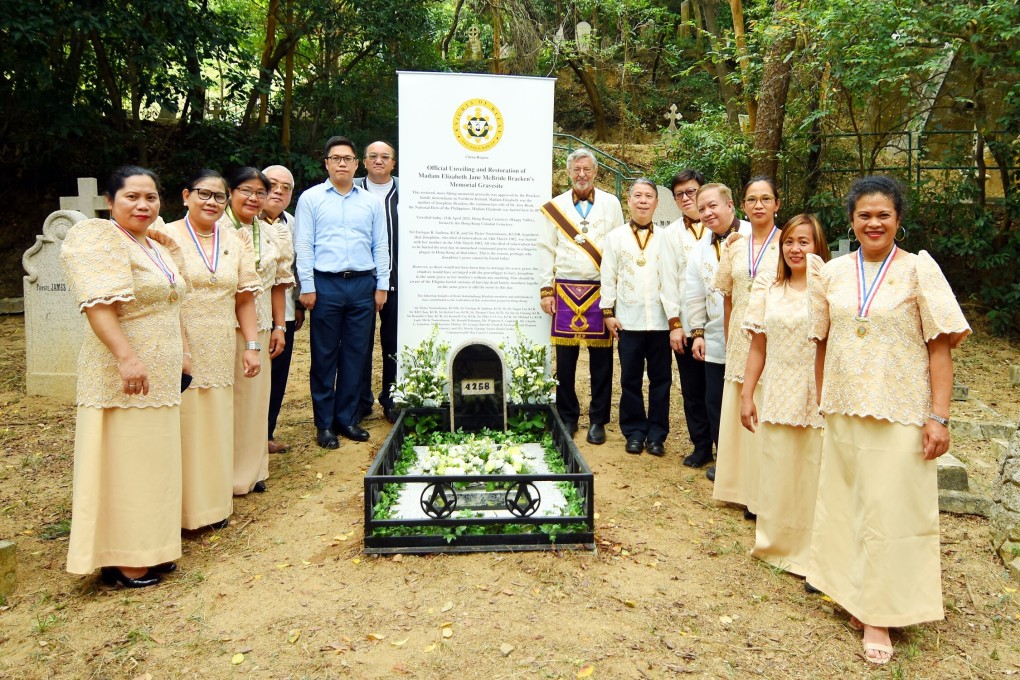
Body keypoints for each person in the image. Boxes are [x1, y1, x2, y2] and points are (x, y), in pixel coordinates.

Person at [806, 176, 970, 664]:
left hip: (900, 410)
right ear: (851, 221)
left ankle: (880, 613)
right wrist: (823, 399)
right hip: (844, 408)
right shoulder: (833, 273)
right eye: (864, 215)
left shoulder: (919, 270)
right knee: (847, 505)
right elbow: (822, 342)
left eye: (883, 215)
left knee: (890, 511)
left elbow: (939, 348)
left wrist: (939, 417)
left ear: (898, 219)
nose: (873, 223)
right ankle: (853, 593)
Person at [61, 166, 188, 588]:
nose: (143, 205)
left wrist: (183, 356)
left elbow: (170, 303)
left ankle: (152, 547)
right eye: (132, 196)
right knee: (128, 462)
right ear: (110, 201)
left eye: (150, 197)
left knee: (154, 462)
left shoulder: (154, 243)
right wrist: (126, 357)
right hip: (123, 372)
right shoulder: (101, 238)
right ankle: (123, 558)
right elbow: (98, 306)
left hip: (160, 374)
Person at [155, 169, 262, 530]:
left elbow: (245, 299)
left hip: (220, 344)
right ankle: (182, 510)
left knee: (215, 423)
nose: (211, 202)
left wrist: (251, 346)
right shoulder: (164, 236)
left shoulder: (236, 240)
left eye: (219, 196)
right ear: (186, 195)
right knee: (184, 424)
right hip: (178, 342)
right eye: (204, 194)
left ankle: (213, 507)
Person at [739, 214, 830, 578]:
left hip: (816, 392)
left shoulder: (829, 289)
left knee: (812, 470)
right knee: (778, 468)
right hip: (778, 389)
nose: (795, 249)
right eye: (789, 242)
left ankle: (814, 552)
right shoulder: (769, 287)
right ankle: (776, 545)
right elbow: (758, 347)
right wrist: (747, 395)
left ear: (818, 246)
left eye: (804, 242)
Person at [294, 136, 389, 448]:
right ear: (327, 163)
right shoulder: (311, 199)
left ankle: (347, 418)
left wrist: (382, 285)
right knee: (324, 355)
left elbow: (380, 245)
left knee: (356, 354)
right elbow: (304, 245)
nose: (342, 164)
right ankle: (324, 424)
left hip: (362, 285)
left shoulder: (370, 202)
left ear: (356, 164)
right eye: (336, 158)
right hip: (326, 285)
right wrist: (307, 286)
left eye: (347, 158)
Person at [537, 148, 624, 443]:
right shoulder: (555, 206)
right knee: (565, 361)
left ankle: (598, 420)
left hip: (600, 290)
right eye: (576, 170)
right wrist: (546, 290)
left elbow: (618, 247)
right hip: (564, 289)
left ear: (596, 172)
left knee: (602, 361)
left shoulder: (612, 204)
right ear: (568, 172)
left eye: (587, 169)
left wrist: (615, 292)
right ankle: (567, 416)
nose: (582, 175)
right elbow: (546, 249)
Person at [220, 167, 294, 494]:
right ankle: (220, 472)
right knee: (225, 400)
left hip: (261, 324)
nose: (253, 198)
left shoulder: (271, 233)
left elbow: (279, 284)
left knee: (254, 400)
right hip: (222, 324)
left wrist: (280, 326)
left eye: (260, 193)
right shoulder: (216, 228)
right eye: (246, 191)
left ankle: (250, 471)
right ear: (231, 193)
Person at [711, 177, 782, 516]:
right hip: (740, 336)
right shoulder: (735, 246)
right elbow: (727, 297)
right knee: (740, 407)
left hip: (774, 337)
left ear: (777, 204)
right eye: (752, 199)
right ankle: (738, 486)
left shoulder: (788, 241)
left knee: (766, 407)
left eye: (766, 198)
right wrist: (729, 337)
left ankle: (764, 490)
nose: (758, 205)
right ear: (742, 206)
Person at [600, 179, 671, 455]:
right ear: (628, 201)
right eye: (638, 196)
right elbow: (608, 276)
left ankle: (656, 435)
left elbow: (673, 279)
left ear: (656, 202)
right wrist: (608, 312)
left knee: (661, 380)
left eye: (649, 196)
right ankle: (634, 431)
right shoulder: (615, 237)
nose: (643, 201)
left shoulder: (666, 237)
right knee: (630, 379)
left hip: (660, 321)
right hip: (628, 321)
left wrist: (675, 318)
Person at [685, 184, 750, 479]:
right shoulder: (699, 249)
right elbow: (694, 293)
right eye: (702, 209)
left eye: (713, 206)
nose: (707, 213)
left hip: (751, 337)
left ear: (730, 205)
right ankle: (725, 460)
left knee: (748, 398)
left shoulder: (753, 236)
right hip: (715, 337)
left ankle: (749, 462)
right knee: (716, 401)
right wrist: (697, 332)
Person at [659, 169, 714, 468]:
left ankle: (727, 448)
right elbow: (668, 281)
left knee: (719, 390)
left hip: (720, 323)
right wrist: (675, 325)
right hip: (688, 325)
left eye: (691, 191)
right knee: (693, 389)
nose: (685, 198)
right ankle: (701, 445)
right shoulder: (670, 234)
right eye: (679, 194)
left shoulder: (720, 226)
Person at [353, 141, 400, 424]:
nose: (379, 160)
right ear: (364, 161)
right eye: (373, 156)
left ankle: (392, 398)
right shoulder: (352, 189)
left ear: (393, 162)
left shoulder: (408, 191)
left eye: (385, 156)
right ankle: (360, 400)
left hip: (399, 282)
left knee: (394, 344)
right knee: (360, 343)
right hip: (361, 282)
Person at [261, 164, 303, 454]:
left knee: (277, 377)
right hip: (248, 314)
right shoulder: (243, 220)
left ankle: (266, 433)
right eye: (272, 185)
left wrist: (298, 304)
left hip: (284, 314)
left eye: (285, 188)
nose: (278, 191)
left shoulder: (293, 223)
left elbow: (298, 265)